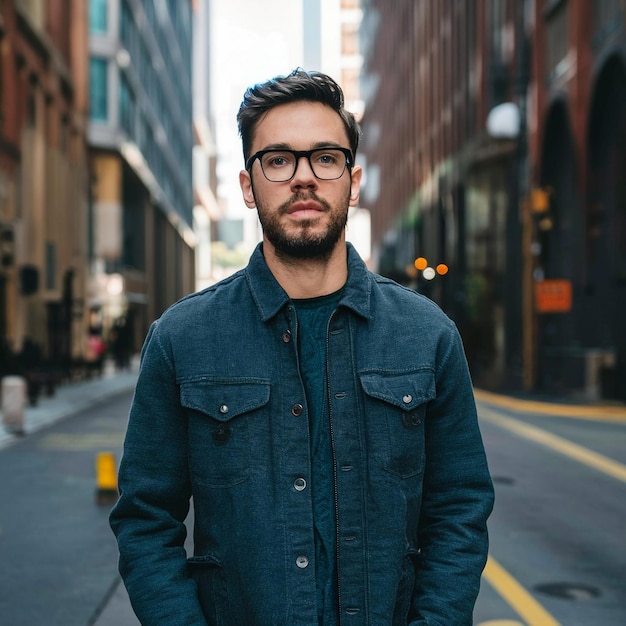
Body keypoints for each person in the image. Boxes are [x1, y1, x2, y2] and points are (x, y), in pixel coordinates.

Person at [110, 68, 494, 626]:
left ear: (353, 181)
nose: (303, 178)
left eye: (325, 157)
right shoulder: (182, 339)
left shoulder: (428, 335)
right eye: (278, 159)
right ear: (248, 185)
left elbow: (459, 509)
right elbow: (146, 519)